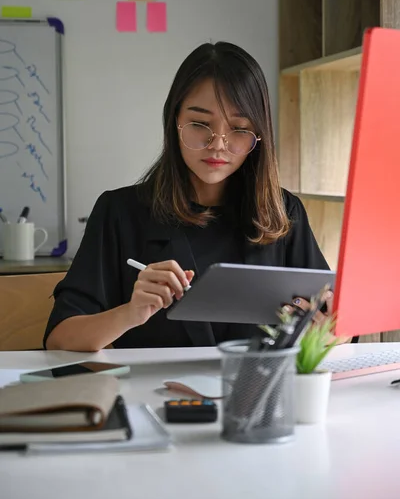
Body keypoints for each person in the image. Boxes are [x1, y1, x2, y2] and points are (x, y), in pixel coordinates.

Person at [45, 41, 337, 352]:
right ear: (175, 121)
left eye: (239, 129)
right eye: (200, 124)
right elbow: (60, 339)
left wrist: (329, 331)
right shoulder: (119, 212)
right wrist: (130, 313)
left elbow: (333, 323)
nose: (218, 145)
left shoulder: (283, 212)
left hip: (259, 394)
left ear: (259, 137)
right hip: (154, 396)